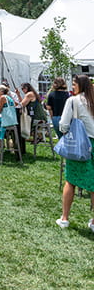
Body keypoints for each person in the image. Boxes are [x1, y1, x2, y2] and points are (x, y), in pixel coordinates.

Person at [56, 75, 94, 231]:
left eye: (74, 84)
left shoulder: (73, 100)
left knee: (70, 180)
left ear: (80, 85)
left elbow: (63, 125)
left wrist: (65, 132)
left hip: (81, 144)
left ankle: (65, 218)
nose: (72, 87)